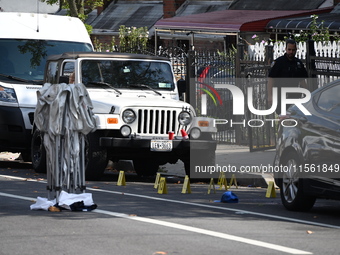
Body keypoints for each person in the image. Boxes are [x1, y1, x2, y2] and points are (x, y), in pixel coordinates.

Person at [267, 39, 308, 115]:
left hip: (294, 97)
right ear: (285, 49)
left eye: (293, 50)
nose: (291, 52)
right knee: (283, 118)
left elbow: (302, 80)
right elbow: (271, 79)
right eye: (289, 49)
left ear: (296, 50)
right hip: (280, 96)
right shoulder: (279, 62)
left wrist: (308, 95)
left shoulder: (298, 63)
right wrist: (270, 96)